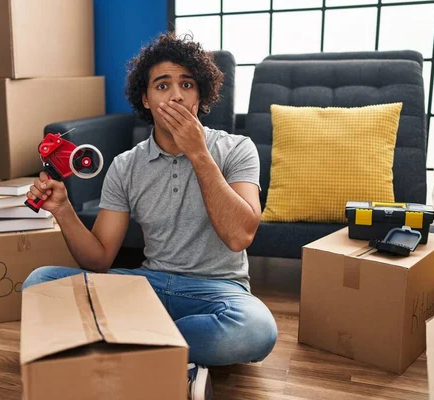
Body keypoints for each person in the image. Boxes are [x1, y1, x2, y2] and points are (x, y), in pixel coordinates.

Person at [22, 32, 278, 400]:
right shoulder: (126, 166)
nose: (175, 95)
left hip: (219, 292)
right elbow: (99, 258)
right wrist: (62, 210)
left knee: (257, 331)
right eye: (162, 85)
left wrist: (199, 154)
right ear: (146, 98)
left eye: (186, 84)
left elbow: (240, 236)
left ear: (200, 95)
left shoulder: (236, 149)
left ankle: (123, 346)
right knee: (39, 282)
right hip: (146, 287)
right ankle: (170, 357)